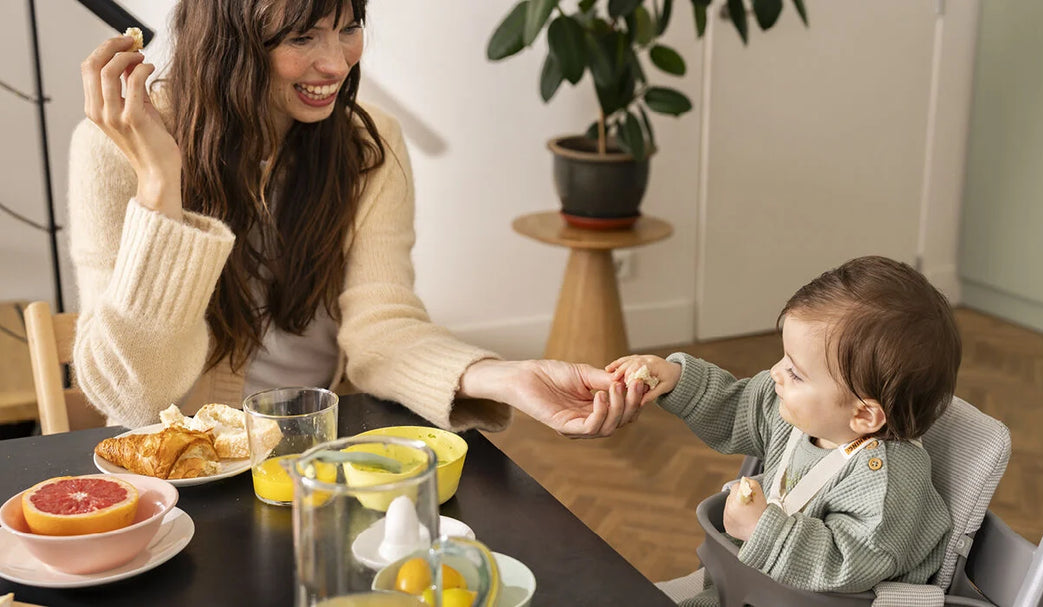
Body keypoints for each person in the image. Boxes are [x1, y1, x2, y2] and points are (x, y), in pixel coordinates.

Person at [69, 0, 644, 436]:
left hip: (316, 447)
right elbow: (134, 397)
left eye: (349, 27)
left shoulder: (371, 144)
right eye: (302, 36)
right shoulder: (116, 145)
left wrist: (506, 377)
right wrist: (160, 184)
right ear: (228, 40)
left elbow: (381, 324)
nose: (336, 61)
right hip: (182, 468)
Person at [609, 256, 959, 605]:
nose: (776, 372)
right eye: (784, 358)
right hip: (753, 589)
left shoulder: (887, 484)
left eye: (795, 372)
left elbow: (846, 563)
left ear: (864, 415)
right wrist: (677, 379)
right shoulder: (804, 414)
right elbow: (736, 406)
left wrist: (762, 529)